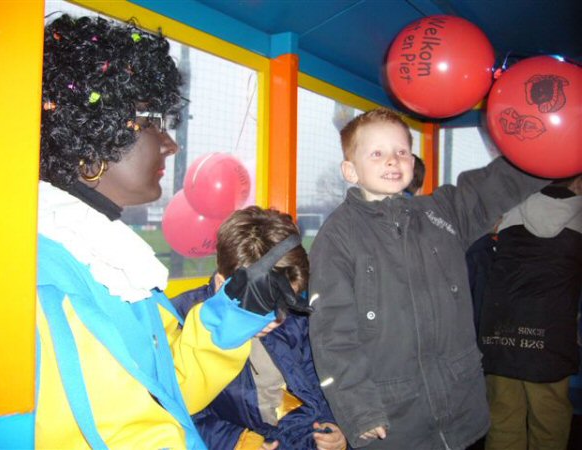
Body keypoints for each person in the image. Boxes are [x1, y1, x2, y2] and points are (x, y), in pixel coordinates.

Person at [35, 15, 288, 449]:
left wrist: (233, 315)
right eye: (150, 119)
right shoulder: (46, 275)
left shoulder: (100, 253)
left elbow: (166, 388)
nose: (170, 144)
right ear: (89, 135)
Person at [308, 108, 548, 449]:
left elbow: (495, 185)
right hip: (394, 421)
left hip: (460, 408)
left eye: (402, 151)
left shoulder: (440, 214)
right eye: (377, 153)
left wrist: (551, 150)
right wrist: (360, 412)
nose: (393, 160)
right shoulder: (337, 239)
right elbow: (333, 336)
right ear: (350, 170)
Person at [171, 206, 347, 450]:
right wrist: (237, 442)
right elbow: (173, 412)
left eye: (287, 302)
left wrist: (335, 425)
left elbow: (321, 378)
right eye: (263, 307)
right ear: (223, 284)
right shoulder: (178, 319)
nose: (277, 319)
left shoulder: (296, 318)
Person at [478, 174, 582, 450]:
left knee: (502, 421)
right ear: (576, 181)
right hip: (551, 334)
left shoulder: (511, 210)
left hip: (500, 331)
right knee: (549, 425)